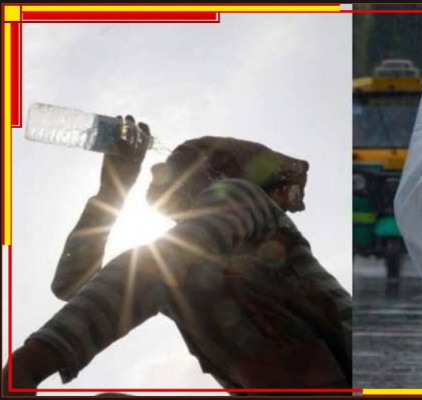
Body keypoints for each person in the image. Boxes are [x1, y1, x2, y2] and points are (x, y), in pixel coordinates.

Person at [3, 116, 352, 396]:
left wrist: (32, 363)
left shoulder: (241, 197)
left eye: (180, 168)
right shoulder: (190, 262)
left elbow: (152, 268)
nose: (163, 175)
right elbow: (77, 289)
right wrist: (112, 192)